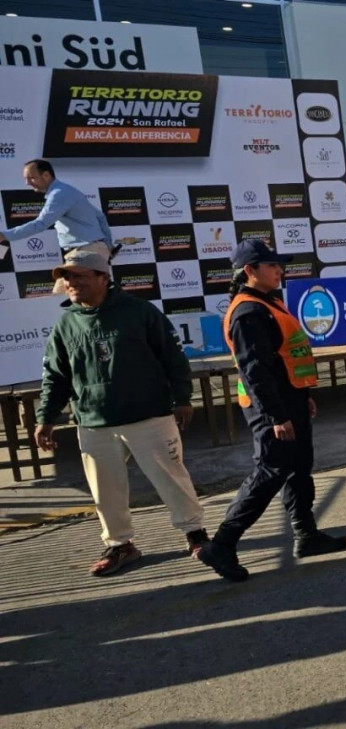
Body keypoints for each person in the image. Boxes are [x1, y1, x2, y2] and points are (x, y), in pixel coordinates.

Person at [34, 249, 208, 576]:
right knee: (105, 491)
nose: (71, 283)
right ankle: (120, 545)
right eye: (67, 277)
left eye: (79, 276)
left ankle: (195, 534)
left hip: (149, 416)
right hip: (93, 421)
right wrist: (45, 418)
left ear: (103, 277)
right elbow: (55, 377)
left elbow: (173, 357)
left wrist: (183, 398)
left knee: (172, 479)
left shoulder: (140, 312)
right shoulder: (66, 324)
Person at [197, 240, 346, 581]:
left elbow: (284, 358)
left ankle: (306, 534)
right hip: (271, 409)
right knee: (270, 472)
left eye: (279, 264)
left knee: (298, 468)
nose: (280, 270)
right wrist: (277, 416)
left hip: (289, 400)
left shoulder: (268, 302)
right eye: (272, 265)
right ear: (250, 271)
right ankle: (221, 544)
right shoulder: (248, 312)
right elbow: (256, 372)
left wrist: (302, 394)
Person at [1, 160, 116, 295]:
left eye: (31, 178)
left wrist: (5, 235)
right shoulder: (65, 191)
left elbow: (40, 224)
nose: (27, 183)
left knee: (60, 298)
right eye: (26, 179)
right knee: (86, 299)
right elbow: (100, 216)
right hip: (89, 250)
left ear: (46, 175)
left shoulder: (59, 194)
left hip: (84, 252)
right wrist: (107, 244)